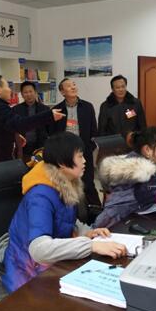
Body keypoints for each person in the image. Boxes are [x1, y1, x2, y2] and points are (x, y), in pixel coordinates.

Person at [1, 132, 127, 294]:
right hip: (28, 273)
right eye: (80, 156)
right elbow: (39, 250)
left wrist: (87, 232)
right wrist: (91, 245)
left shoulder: (65, 184)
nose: (85, 161)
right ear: (61, 163)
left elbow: (65, 220)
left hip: (54, 263)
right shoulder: (40, 197)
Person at [0, 75, 64, 164]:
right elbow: (20, 124)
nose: (10, 90)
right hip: (0, 160)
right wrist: (49, 115)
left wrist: (15, 135)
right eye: (7, 86)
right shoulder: (0, 107)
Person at [51, 78, 100, 211]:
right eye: (68, 86)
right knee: (67, 184)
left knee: (88, 183)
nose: (73, 87)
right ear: (62, 92)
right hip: (65, 153)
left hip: (84, 151)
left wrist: (90, 147)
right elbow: (54, 133)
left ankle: (96, 211)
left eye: (74, 84)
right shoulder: (57, 110)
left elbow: (93, 129)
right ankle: (72, 212)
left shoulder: (87, 106)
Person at [98, 74, 147, 142]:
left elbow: (142, 125)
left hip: (132, 142)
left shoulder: (135, 103)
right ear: (112, 89)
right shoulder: (105, 106)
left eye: (123, 86)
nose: (121, 90)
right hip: (113, 143)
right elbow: (102, 129)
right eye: (117, 87)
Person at [13, 81, 51, 160]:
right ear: (22, 94)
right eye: (25, 92)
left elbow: (49, 129)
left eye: (31, 91)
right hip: (23, 148)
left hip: (40, 147)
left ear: (35, 92)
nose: (29, 94)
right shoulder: (16, 110)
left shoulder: (45, 109)